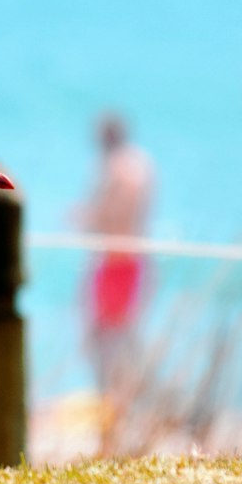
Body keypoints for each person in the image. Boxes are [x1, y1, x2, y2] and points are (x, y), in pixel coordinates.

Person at [76, 114, 156, 413]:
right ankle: (123, 406)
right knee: (122, 339)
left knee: (105, 341)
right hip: (131, 259)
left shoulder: (119, 168)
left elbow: (115, 214)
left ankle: (115, 407)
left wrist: (86, 216)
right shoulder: (141, 164)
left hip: (115, 260)